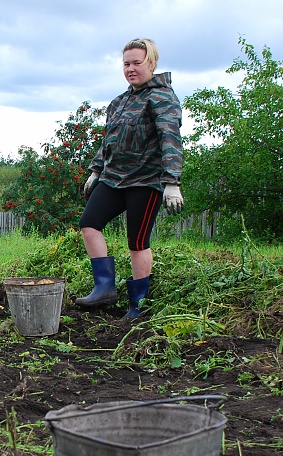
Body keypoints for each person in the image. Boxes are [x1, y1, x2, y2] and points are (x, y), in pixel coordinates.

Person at [76, 38, 184, 318]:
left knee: (137, 242)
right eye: (127, 63)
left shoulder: (162, 97)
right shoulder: (119, 102)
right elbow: (109, 141)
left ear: (151, 63)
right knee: (89, 224)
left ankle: (138, 305)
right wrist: (95, 170)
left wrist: (172, 182)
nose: (131, 68)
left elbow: (170, 139)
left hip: (145, 181)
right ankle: (104, 288)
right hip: (113, 178)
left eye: (137, 62)